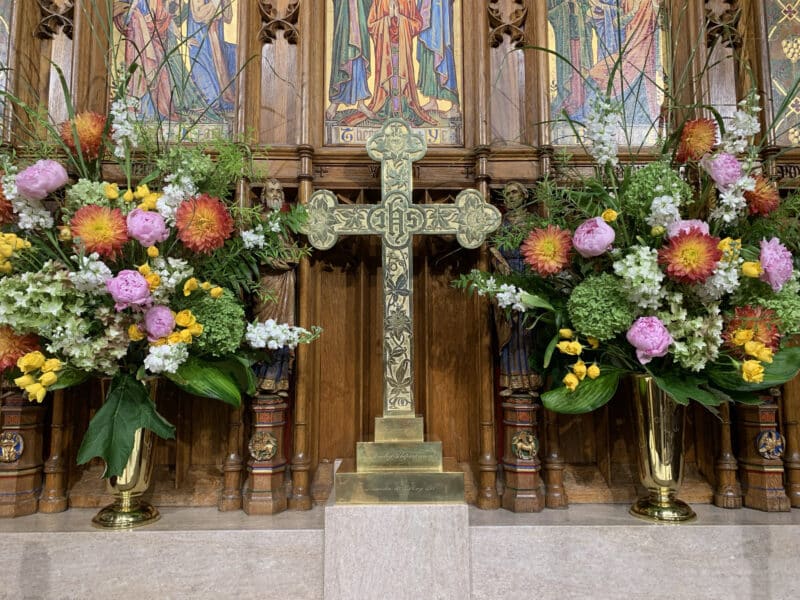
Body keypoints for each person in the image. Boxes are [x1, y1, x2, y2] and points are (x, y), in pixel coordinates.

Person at [343, 0, 436, 125]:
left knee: (402, 78)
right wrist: (387, 19)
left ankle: (404, 109)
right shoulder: (379, 1)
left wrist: (400, 18)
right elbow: (371, 24)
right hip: (384, 50)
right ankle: (386, 109)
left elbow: (418, 24)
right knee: (387, 78)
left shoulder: (408, 1)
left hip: (403, 48)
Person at [490, 183, 542, 396]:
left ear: (524, 195)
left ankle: (532, 381)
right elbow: (492, 247)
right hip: (509, 277)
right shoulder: (501, 223)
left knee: (529, 329)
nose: (510, 197)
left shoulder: (532, 222)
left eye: (514, 193)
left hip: (529, 275)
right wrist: (501, 264)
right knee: (512, 329)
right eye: (506, 194)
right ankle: (511, 382)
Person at [253, 180, 296, 396]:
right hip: (266, 280)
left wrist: (288, 259)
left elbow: (293, 250)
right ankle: (260, 378)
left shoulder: (287, 222)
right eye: (272, 190)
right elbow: (256, 254)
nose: (276, 194)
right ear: (263, 196)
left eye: (280, 190)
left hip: (285, 282)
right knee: (264, 327)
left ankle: (278, 379)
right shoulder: (258, 221)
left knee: (282, 329)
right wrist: (279, 261)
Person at [327, 0, 375, 121]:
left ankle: (361, 102)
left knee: (359, 57)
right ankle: (335, 102)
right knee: (344, 57)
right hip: (345, 15)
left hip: (360, 15)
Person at [186, 0, 238, 113]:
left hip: (216, 41)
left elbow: (228, 18)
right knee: (211, 96)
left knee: (235, 54)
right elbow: (198, 15)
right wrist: (215, 3)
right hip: (201, 42)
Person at [416, 0, 460, 118]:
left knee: (444, 53)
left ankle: (455, 106)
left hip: (441, 10)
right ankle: (432, 101)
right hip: (427, 9)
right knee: (429, 53)